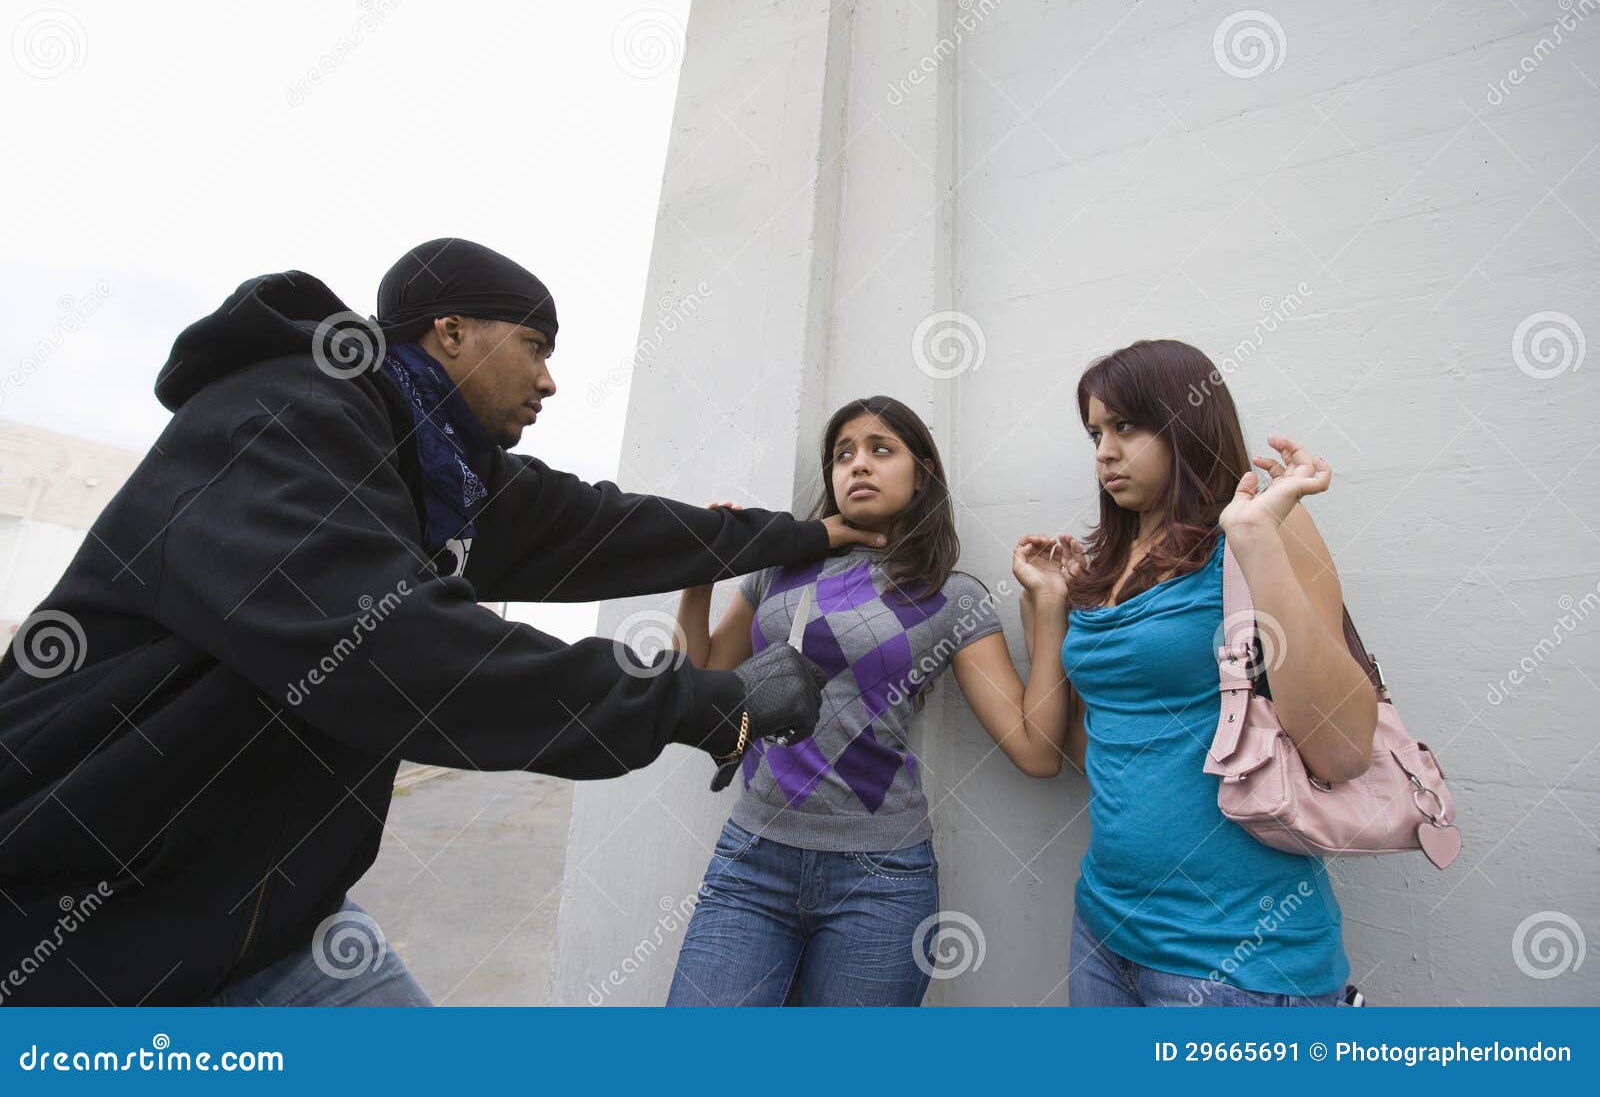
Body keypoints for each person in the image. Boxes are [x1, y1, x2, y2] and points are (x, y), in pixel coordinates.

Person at [0, 238, 881, 1005]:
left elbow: (605, 527)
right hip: (76, 929)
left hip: (265, 926)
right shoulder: (280, 421)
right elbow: (396, 649)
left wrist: (805, 535)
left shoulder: (442, 472)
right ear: (451, 331)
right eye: (535, 346)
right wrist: (705, 703)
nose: (550, 379)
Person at [665, 396, 1074, 1006]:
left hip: (879, 880)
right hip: (752, 862)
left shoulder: (952, 596)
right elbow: (694, 684)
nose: (858, 464)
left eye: (881, 450)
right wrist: (698, 576)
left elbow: (1036, 750)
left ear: (922, 474)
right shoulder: (775, 573)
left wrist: (1050, 604)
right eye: (843, 454)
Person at [1033, 339, 1375, 1006]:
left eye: (1126, 427)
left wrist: (1256, 542)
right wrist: (1048, 603)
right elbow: (1099, 749)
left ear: (1186, 423)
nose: (1104, 452)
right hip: (1105, 928)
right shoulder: (1110, 563)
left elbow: (1343, 750)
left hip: (1237, 958)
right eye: (1095, 433)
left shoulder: (1264, 529)